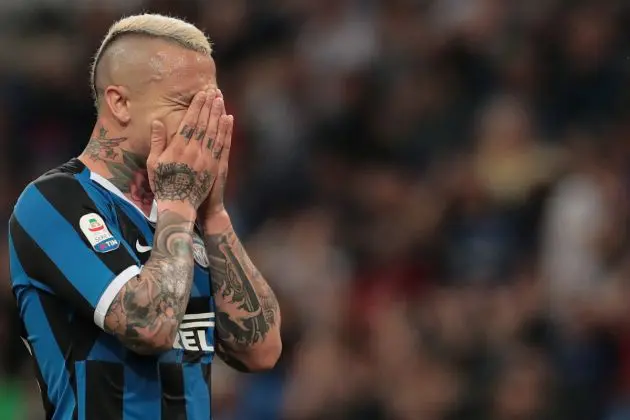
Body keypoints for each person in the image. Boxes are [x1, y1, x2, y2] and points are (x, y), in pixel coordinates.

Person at [8, 14, 282, 420]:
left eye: (211, 106)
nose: (202, 126)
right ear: (119, 102)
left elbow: (261, 351)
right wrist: (180, 206)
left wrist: (215, 212)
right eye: (186, 105)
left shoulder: (182, 206)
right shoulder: (52, 201)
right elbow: (148, 325)